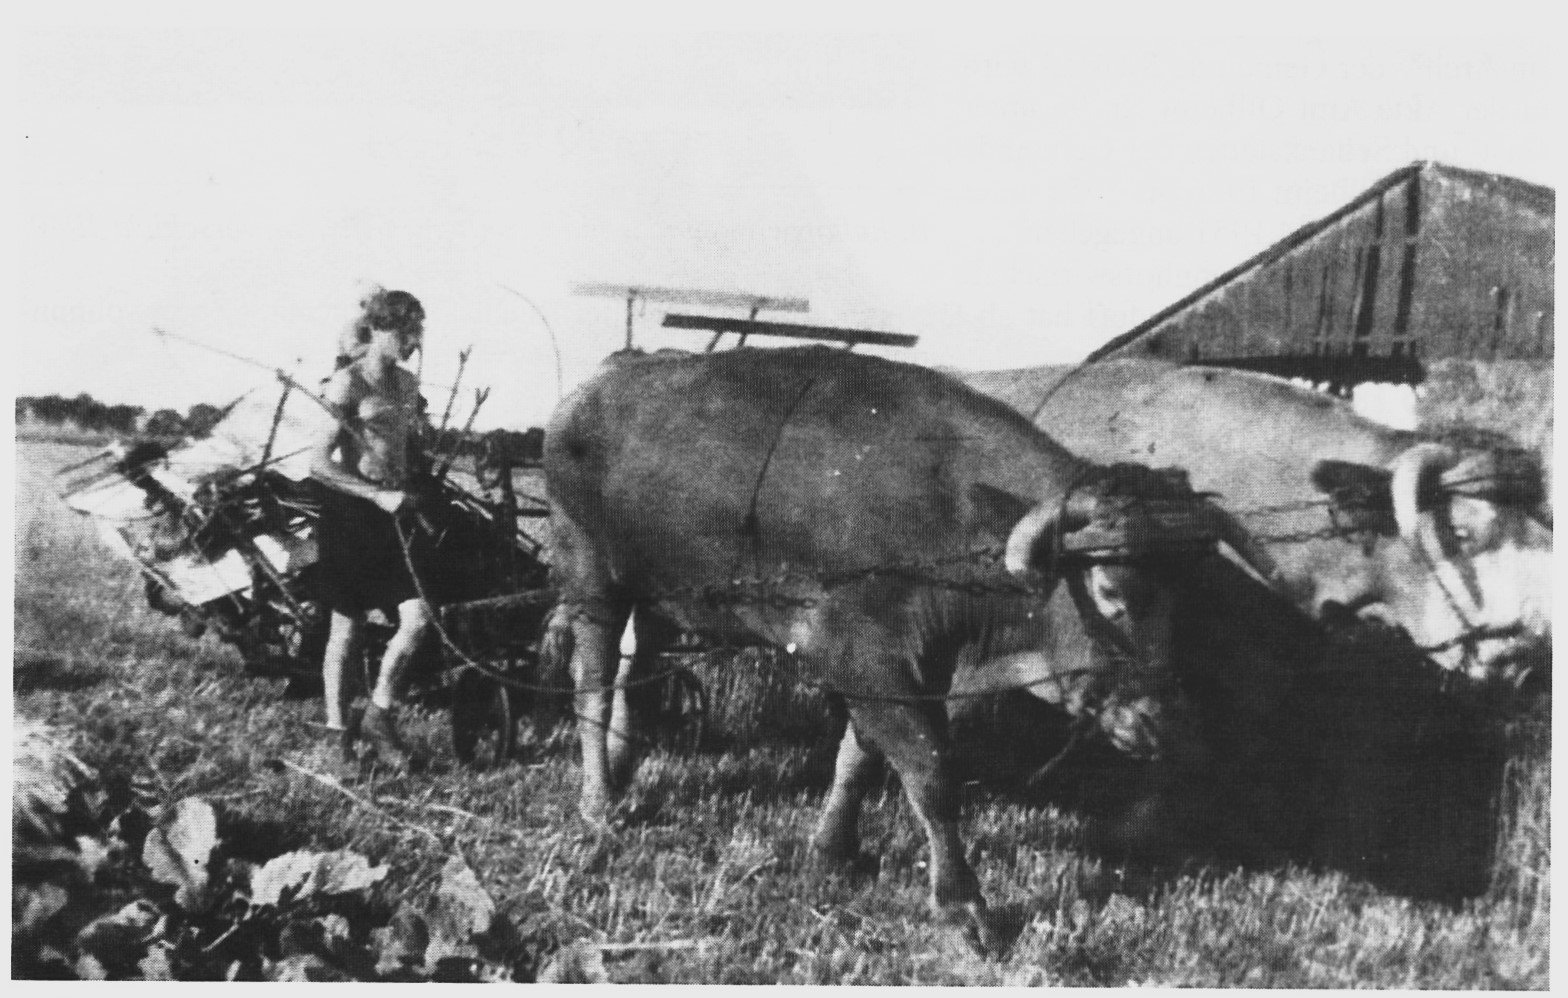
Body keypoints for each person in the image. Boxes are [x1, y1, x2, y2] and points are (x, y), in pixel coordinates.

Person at [309, 287, 448, 769]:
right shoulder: (347, 386)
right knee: (346, 632)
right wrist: (376, 494)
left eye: (418, 334)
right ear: (384, 329)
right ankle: (335, 736)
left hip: (397, 514)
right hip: (351, 514)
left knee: (420, 619)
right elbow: (318, 464)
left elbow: (408, 450)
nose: (414, 343)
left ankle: (378, 712)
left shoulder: (407, 387)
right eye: (408, 333)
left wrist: (416, 473)